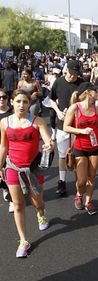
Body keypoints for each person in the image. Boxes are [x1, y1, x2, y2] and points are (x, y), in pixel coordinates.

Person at [0, 90, 55, 257]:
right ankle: (23, 240)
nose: (21, 105)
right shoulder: (4, 122)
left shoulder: (37, 121)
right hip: (12, 168)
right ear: (11, 102)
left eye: (24, 102)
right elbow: (3, 146)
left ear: (29, 104)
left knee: (38, 201)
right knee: (18, 205)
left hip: (32, 169)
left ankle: (41, 213)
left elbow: (48, 140)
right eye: (18, 101)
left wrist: (49, 145)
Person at [64, 82, 98, 215]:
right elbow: (66, 127)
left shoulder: (96, 108)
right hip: (80, 147)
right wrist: (82, 131)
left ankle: (88, 202)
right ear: (88, 92)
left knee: (91, 178)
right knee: (81, 180)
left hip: (95, 147)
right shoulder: (74, 108)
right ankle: (79, 194)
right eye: (96, 91)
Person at [50, 60, 84, 196]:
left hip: (77, 126)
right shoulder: (58, 82)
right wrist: (57, 111)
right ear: (67, 70)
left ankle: (79, 182)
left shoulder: (82, 83)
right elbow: (51, 99)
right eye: (72, 73)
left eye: (76, 74)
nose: (73, 77)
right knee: (63, 155)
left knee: (78, 155)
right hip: (62, 125)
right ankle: (62, 181)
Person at [0, 89, 14, 212]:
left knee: (8, 172)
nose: (1, 100)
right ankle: (5, 189)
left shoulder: (12, 113)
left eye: (4, 97)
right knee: (2, 174)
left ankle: (12, 200)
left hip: (11, 147)